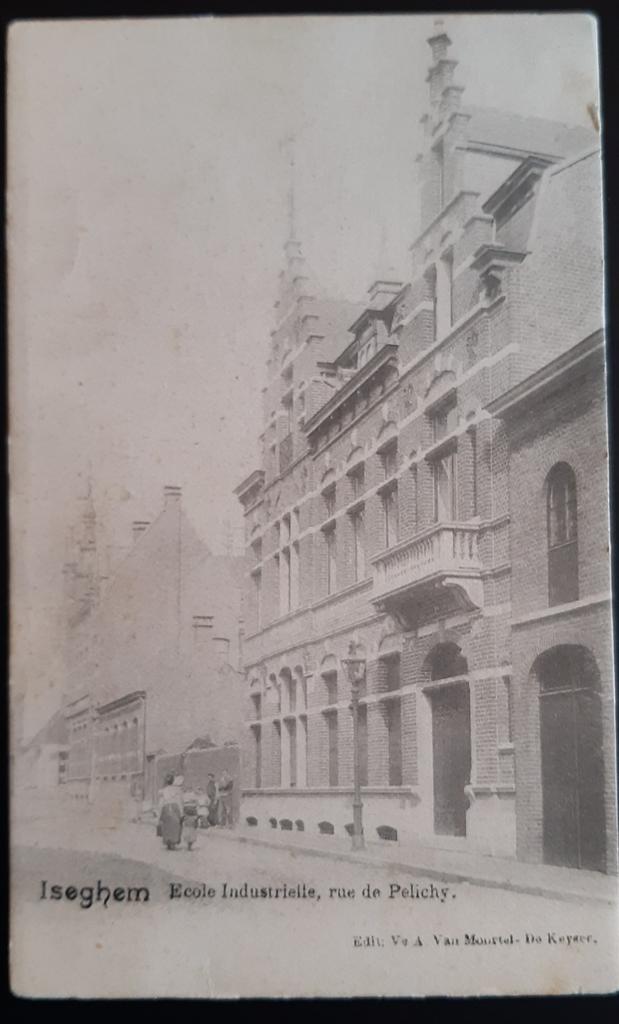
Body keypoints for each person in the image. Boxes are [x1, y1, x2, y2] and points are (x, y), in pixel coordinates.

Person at [157, 772, 183, 850]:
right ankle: (173, 841)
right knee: (175, 825)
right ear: (173, 781)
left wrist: (159, 813)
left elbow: (161, 802)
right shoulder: (177, 790)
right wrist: (181, 812)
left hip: (166, 807)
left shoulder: (163, 790)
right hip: (175, 807)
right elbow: (179, 801)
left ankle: (168, 841)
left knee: (166, 825)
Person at [181, 783, 199, 850]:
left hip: (188, 812)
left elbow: (183, 803)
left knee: (188, 827)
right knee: (190, 827)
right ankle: (189, 843)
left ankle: (189, 843)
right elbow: (197, 803)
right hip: (190, 812)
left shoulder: (185, 795)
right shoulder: (193, 795)